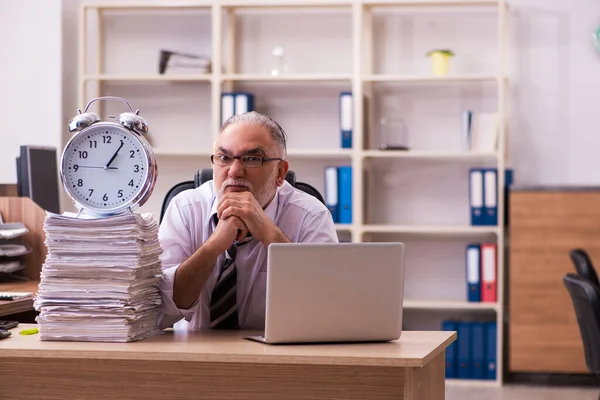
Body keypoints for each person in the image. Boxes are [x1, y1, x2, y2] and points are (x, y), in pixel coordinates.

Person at [157, 111, 339, 330]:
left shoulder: (310, 216)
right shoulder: (185, 209)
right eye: (224, 158)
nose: (235, 171)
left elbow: (325, 306)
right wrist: (214, 246)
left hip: (275, 357)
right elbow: (162, 308)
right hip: (194, 357)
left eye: (252, 159)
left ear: (280, 172)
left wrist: (268, 233)